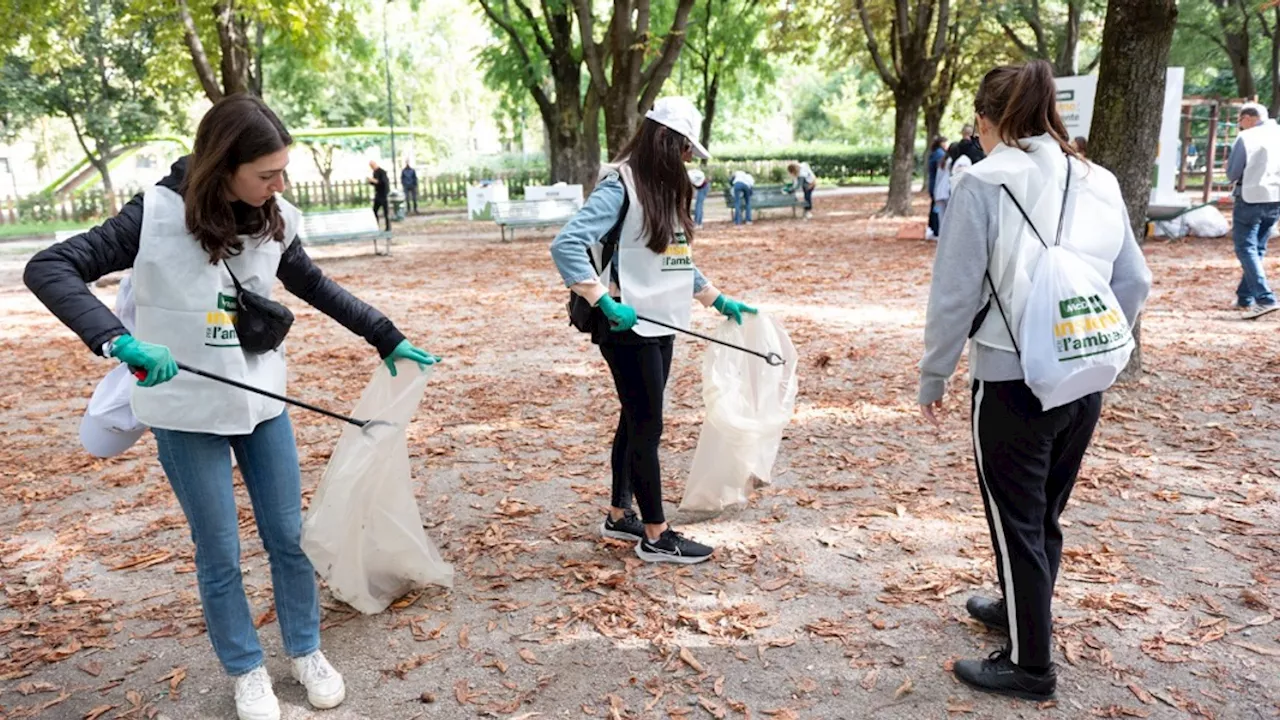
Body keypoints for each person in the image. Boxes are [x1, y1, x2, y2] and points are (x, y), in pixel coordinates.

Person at [24, 94, 441, 720]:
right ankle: (247, 669)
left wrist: (388, 335)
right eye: (266, 173)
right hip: (185, 411)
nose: (280, 184)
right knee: (218, 550)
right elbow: (50, 266)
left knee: (286, 538)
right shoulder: (155, 214)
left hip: (261, 403)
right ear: (223, 166)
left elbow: (317, 286)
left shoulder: (275, 216)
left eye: (282, 171)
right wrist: (118, 338)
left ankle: (305, 651)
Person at [918, 61, 1151, 701]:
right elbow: (1135, 282)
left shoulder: (982, 182)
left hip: (1010, 376)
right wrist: (1097, 339)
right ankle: (1022, 608)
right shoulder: (1098, 177)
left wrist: (934, 373)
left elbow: (954, 295)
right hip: (1084, 377)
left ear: (988, 122)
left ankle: (1030, 665)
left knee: (1014, 519)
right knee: (1043, 511)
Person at [550, 97, 757, 564]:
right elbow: (566, 245)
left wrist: (714, 298)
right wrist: (601, 300)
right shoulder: (619, 186)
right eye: (685, 147)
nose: (688, 158)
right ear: (666, 141)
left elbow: (673, 254)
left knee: (634, 416)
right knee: (648, 426)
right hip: (624, 322)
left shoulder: (662, 185)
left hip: (660, 320)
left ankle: (618, 514)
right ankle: (656, 534)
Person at [1225, 102, 1280, 318]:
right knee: (1257, 248)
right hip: (1276, 197)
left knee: (1245, 248)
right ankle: (1244, 297)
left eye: (1240, 120)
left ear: (1248, 117)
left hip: (1250, 196)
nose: (1240, 125)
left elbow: (1233, 172)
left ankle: (1264, 298)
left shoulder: (1247, 138)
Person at [926, 136, 949, 239]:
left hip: (933, 183)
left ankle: (933, 226)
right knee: (937, 208)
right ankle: (936, 228)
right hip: (937, 185)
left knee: (934, 207)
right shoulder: (941, 154)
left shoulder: (934, 153)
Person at [368, 160, 391, 232]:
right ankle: (376, 225)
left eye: (372, 166)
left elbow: (383, 183)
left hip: (383, 195)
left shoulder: (382, 172)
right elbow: (376, 183)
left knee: (386, 212)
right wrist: (371, 182)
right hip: (378, 194)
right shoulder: (374, 172)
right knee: (374, 211)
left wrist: (375, 181)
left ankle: (388, 227)